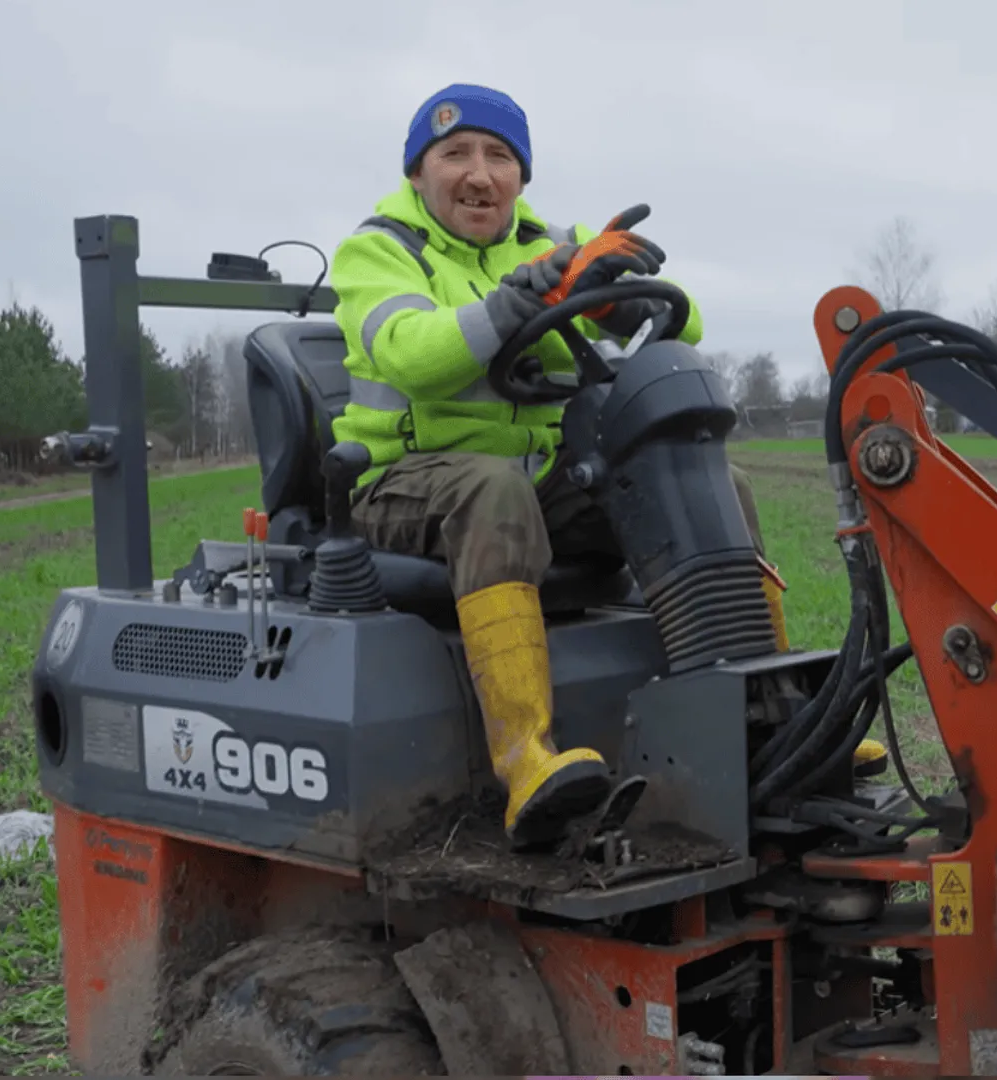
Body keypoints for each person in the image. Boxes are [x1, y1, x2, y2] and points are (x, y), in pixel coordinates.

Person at [327, 84, 881, 850]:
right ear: (419, 172)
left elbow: (685, 319)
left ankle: (779, 726)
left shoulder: (556, 241)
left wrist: (609, 303)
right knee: (492, 489)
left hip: (538, 482)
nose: (478, 174)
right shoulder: (378, 251)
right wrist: (515, 304)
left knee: (708, 480)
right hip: (402, 481)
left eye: (498, 156)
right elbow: (414, 356)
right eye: (454, 155)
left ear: (521, 175)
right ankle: (526, 760)